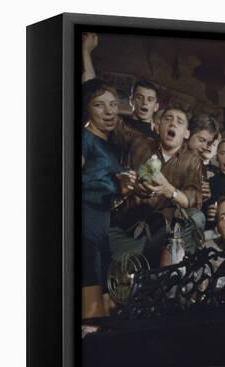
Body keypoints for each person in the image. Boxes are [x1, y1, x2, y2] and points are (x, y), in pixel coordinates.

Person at [111, 107, 204, 268]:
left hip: (164, 233)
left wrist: (169, 190)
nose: (173, 123)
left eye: (179, 121)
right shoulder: (140, 143)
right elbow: (114, 123)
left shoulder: (192, 160)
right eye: (168, 119)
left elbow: (193, 198)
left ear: (186, 134)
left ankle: (168, 271)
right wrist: (133, 185)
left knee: (196, 216)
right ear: (158, 125)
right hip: (130, 225)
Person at [81, 79, 136, 318]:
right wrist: (115, 184)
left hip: (103, 227)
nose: (109, 111)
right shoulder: (84, 139)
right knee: (92, 311)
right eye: (99, 105)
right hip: (85, 225)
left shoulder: (110, 144)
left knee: (106, 310)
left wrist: (124, 188)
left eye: (113, 104)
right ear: (86, 108)